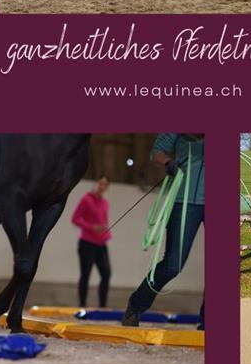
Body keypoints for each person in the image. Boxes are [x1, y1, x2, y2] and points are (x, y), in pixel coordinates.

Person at [123, 134, 205, 330]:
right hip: (185, 200)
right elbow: (156, 152)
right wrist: (168, 162)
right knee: (172, 265)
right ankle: (136, 305)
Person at [71, 175, 112, 308]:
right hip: (87, 243)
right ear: (96, 184)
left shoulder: (105, 203)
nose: (102, 186)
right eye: (100, 183)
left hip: (101, 244)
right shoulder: (86, 199)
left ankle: (103, 306)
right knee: (86, 274)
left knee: (106, 273)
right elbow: (75, 218)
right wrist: (91, 227)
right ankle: (82, 305)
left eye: (105, 184)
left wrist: (106, 231)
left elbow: (104, 221)